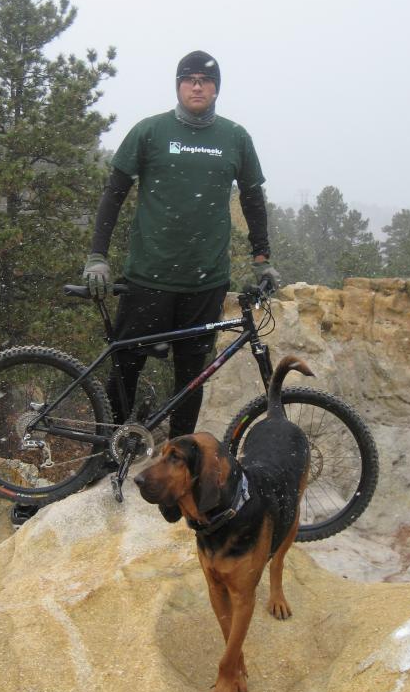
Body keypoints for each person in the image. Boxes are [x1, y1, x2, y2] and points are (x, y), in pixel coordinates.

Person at [83, 50, 280, 439]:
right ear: (178, 85)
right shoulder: (150, 131)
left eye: (205, 80)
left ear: (216, 89)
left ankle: (180, 456)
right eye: (188, 79)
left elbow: (253, 199)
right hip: (148, 277)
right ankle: (107, 453)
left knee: (192, 377)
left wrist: (262, 260)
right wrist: (96, 256)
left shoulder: (235, 138)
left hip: (205, 282)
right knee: (126, 367)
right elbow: (114, 194)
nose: (196, 86)